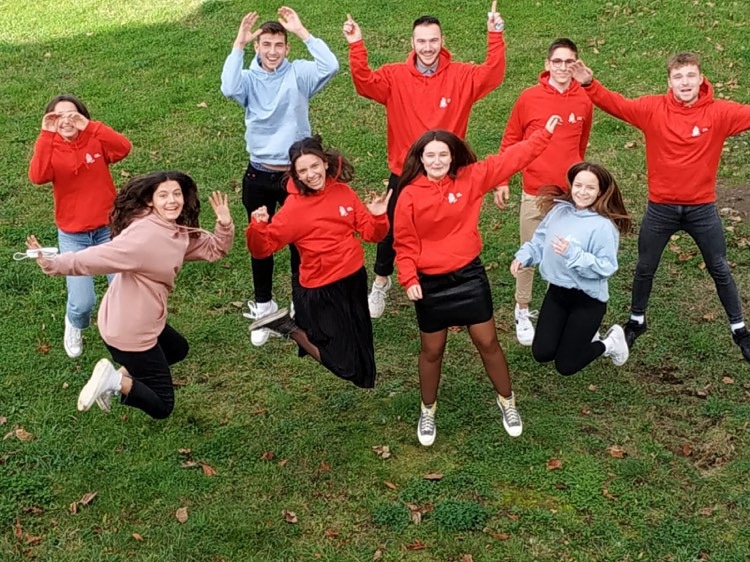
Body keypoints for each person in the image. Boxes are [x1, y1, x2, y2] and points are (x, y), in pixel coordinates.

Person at [393, 115, 562, 447]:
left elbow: (511, 159)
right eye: (430, 156)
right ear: (420, 158)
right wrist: (409, 277)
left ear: (453, 156)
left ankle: (507, 402)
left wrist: (543, 135)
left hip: (468, 276)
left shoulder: (471, 179)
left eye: (443, 155)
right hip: (430, 283)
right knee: (432, 349)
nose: (437, 161)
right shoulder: (409, 194)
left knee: (487, 342)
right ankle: (428, 409)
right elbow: (404, 241)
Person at [570, 52, 750, 362]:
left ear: (701, 79)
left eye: (690, 76)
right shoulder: (653, 109)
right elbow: (618, 105)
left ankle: (740, 331)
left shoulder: (720, 114)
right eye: (678, 77)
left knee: (720, 268)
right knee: (644, 268)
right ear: (669, 81)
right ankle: (636, 322)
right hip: (661, 209)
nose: (685, 82)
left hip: (702, 209)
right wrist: (589, 83)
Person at [343, 2, 507, 319]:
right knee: (390, 229)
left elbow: (493, 74)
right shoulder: (394, 76)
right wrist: (356, 44)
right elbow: (364, 83)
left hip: (447, 172)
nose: (428, 47)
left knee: (446, 227)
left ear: (442, 41)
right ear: (412, 43)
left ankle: (446, 285)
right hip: (404, 172)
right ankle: (381, 281)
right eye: (422, 41)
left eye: (433, 41)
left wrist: (495, 34)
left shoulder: (462, 76)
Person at [27, 171, 235, 419]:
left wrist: (224, 224)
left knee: (177, 349)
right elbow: (93, 258)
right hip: (130, 330)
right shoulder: (143, 239)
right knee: (162, 405)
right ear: (151, 201)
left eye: (176, 194)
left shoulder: (173, 231)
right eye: (164, 195)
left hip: (139, 317)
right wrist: (52, 263)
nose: (172, 201)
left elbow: (214, 249)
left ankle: (116, 376)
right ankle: (116, 381)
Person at [221, 6, 339, 347]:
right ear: (258, 48)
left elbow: (330, 66)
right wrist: (238, 45)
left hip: (295, 177)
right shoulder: (247, 78)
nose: (272, 51)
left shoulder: (300, 74)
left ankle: (300, 305)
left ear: (287, 48)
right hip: (258, 174)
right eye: (266, 45)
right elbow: (229, 88)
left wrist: (303, 31)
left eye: (278, 45)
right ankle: (264, 307)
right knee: (262, 243)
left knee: (301, 241)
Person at [245, 137, 390, 388]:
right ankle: (288, 328)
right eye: (302, 171)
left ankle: (361, 377)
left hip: (354, 281)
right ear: (295, 175)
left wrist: (377, 216)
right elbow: (263, 249)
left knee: (362, 354)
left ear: (325, 163)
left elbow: (372, 234)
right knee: (343, 362)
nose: (310, 175)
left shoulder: (343, 192)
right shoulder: (293, 209)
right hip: (321, 290)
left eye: (314, 166)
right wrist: (258, 227)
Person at [494, 38, 593, 346]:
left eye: (569, 62)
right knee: (529, 251)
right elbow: (511, 140)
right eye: (558, 61)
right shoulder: (529, 99)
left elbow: (581, 144)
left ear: (576, 65)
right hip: (535, 192)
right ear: (547, 64)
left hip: (569, 198)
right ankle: (522, 309)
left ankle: (557, 311)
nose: (563, 67)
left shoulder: (584, 102)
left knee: (564, 254)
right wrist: (502, 180)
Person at [28, 94, 132, 359]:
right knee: (83, 301)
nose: (66, 120)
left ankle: (123, 332)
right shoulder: (49, 147)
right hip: (74, 237)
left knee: (122, 289)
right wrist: (45, 135)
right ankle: (75, 323)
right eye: (58, 116)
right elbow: (37, 176)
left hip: (108, 231)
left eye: (72, 114)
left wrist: (91, 127)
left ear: (83, 117)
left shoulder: (95, 139)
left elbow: (123, 148)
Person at [511, 162, 631, 375]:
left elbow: (606, 267)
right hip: (557, 294)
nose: (582, 192)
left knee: (566, 365)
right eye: (578, 185)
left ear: (600, 192)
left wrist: (574, 255)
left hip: (588, 300)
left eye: (590, 188)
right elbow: (539, 241)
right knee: (542, 352)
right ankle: (578, 335)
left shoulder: (603, 226)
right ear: (571, 185)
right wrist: (524, 257)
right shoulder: (559, 211)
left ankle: (610, 343)